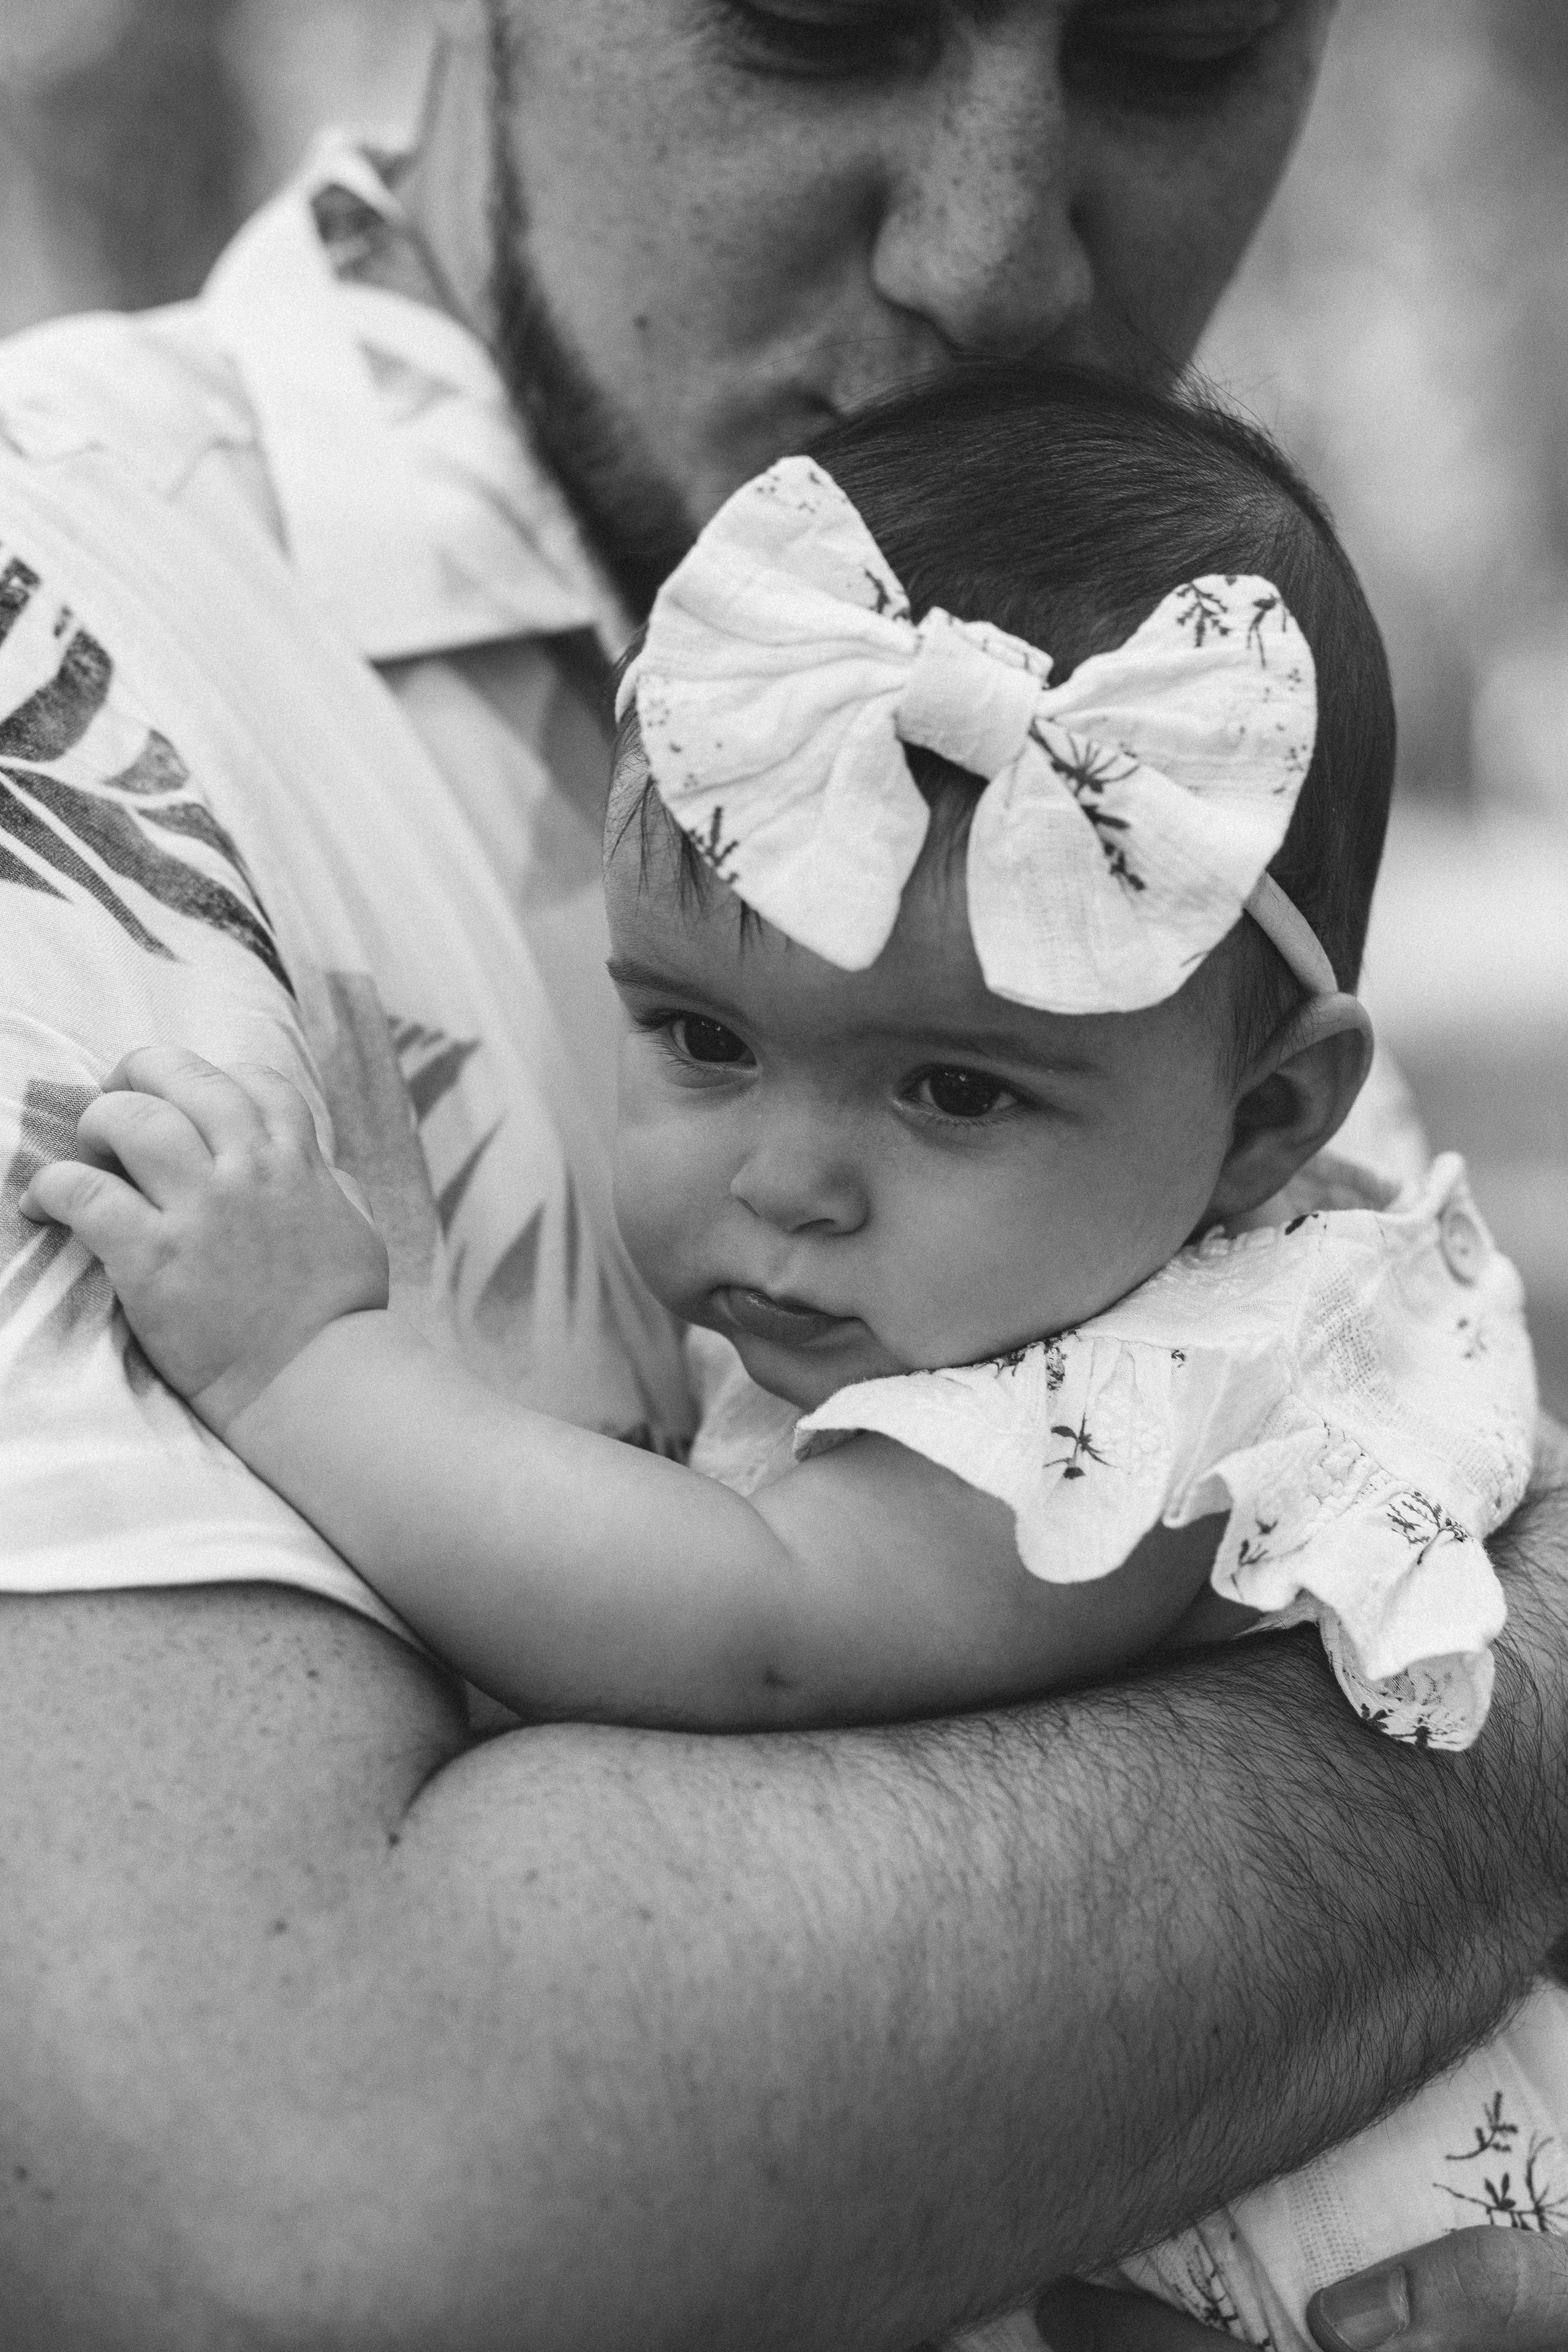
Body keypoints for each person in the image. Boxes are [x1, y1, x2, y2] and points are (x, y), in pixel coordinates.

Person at [1, 4, 1566, 2343]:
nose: (993, 253)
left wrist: (317, 1357)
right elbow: (312, 2214)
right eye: (816, 18)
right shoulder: (75, 641)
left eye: (1181, 50)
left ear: (1271, 1120)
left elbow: (756, 1613)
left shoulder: (1156, 726)